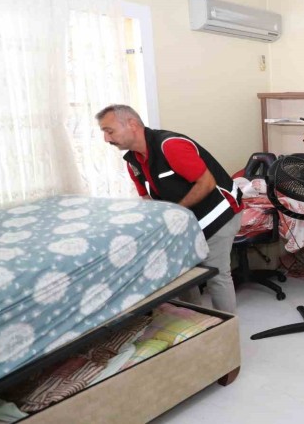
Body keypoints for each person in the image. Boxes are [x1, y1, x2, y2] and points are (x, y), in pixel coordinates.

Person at [96, 105, 244, 313]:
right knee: (182, 275)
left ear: (132, 124)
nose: (106, 139)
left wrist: (175, 213)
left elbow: (206, 183)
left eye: (109, 131)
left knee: (216, 275)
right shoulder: (133, 163)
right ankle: (195, 323)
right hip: (185, 220)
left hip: (219, 214)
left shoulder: (170, 145)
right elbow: (148, 199)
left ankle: (228, 328)